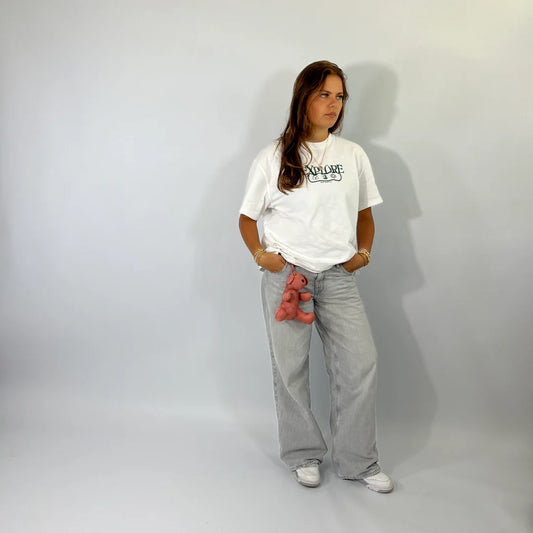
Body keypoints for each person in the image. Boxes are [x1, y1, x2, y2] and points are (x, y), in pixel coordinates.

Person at [238, 61, 393, 493]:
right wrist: (263, 257)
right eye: (324, 94)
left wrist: (362, 255)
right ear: (303, 97)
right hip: (290, 277)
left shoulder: (352, 155)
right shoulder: (273, 156)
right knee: (290, 369)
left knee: (361, 363)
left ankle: (358, 461)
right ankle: (303, 454)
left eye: (339, 96)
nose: (333, 104)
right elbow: (247, 218)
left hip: (338, 276)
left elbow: (365, 214)